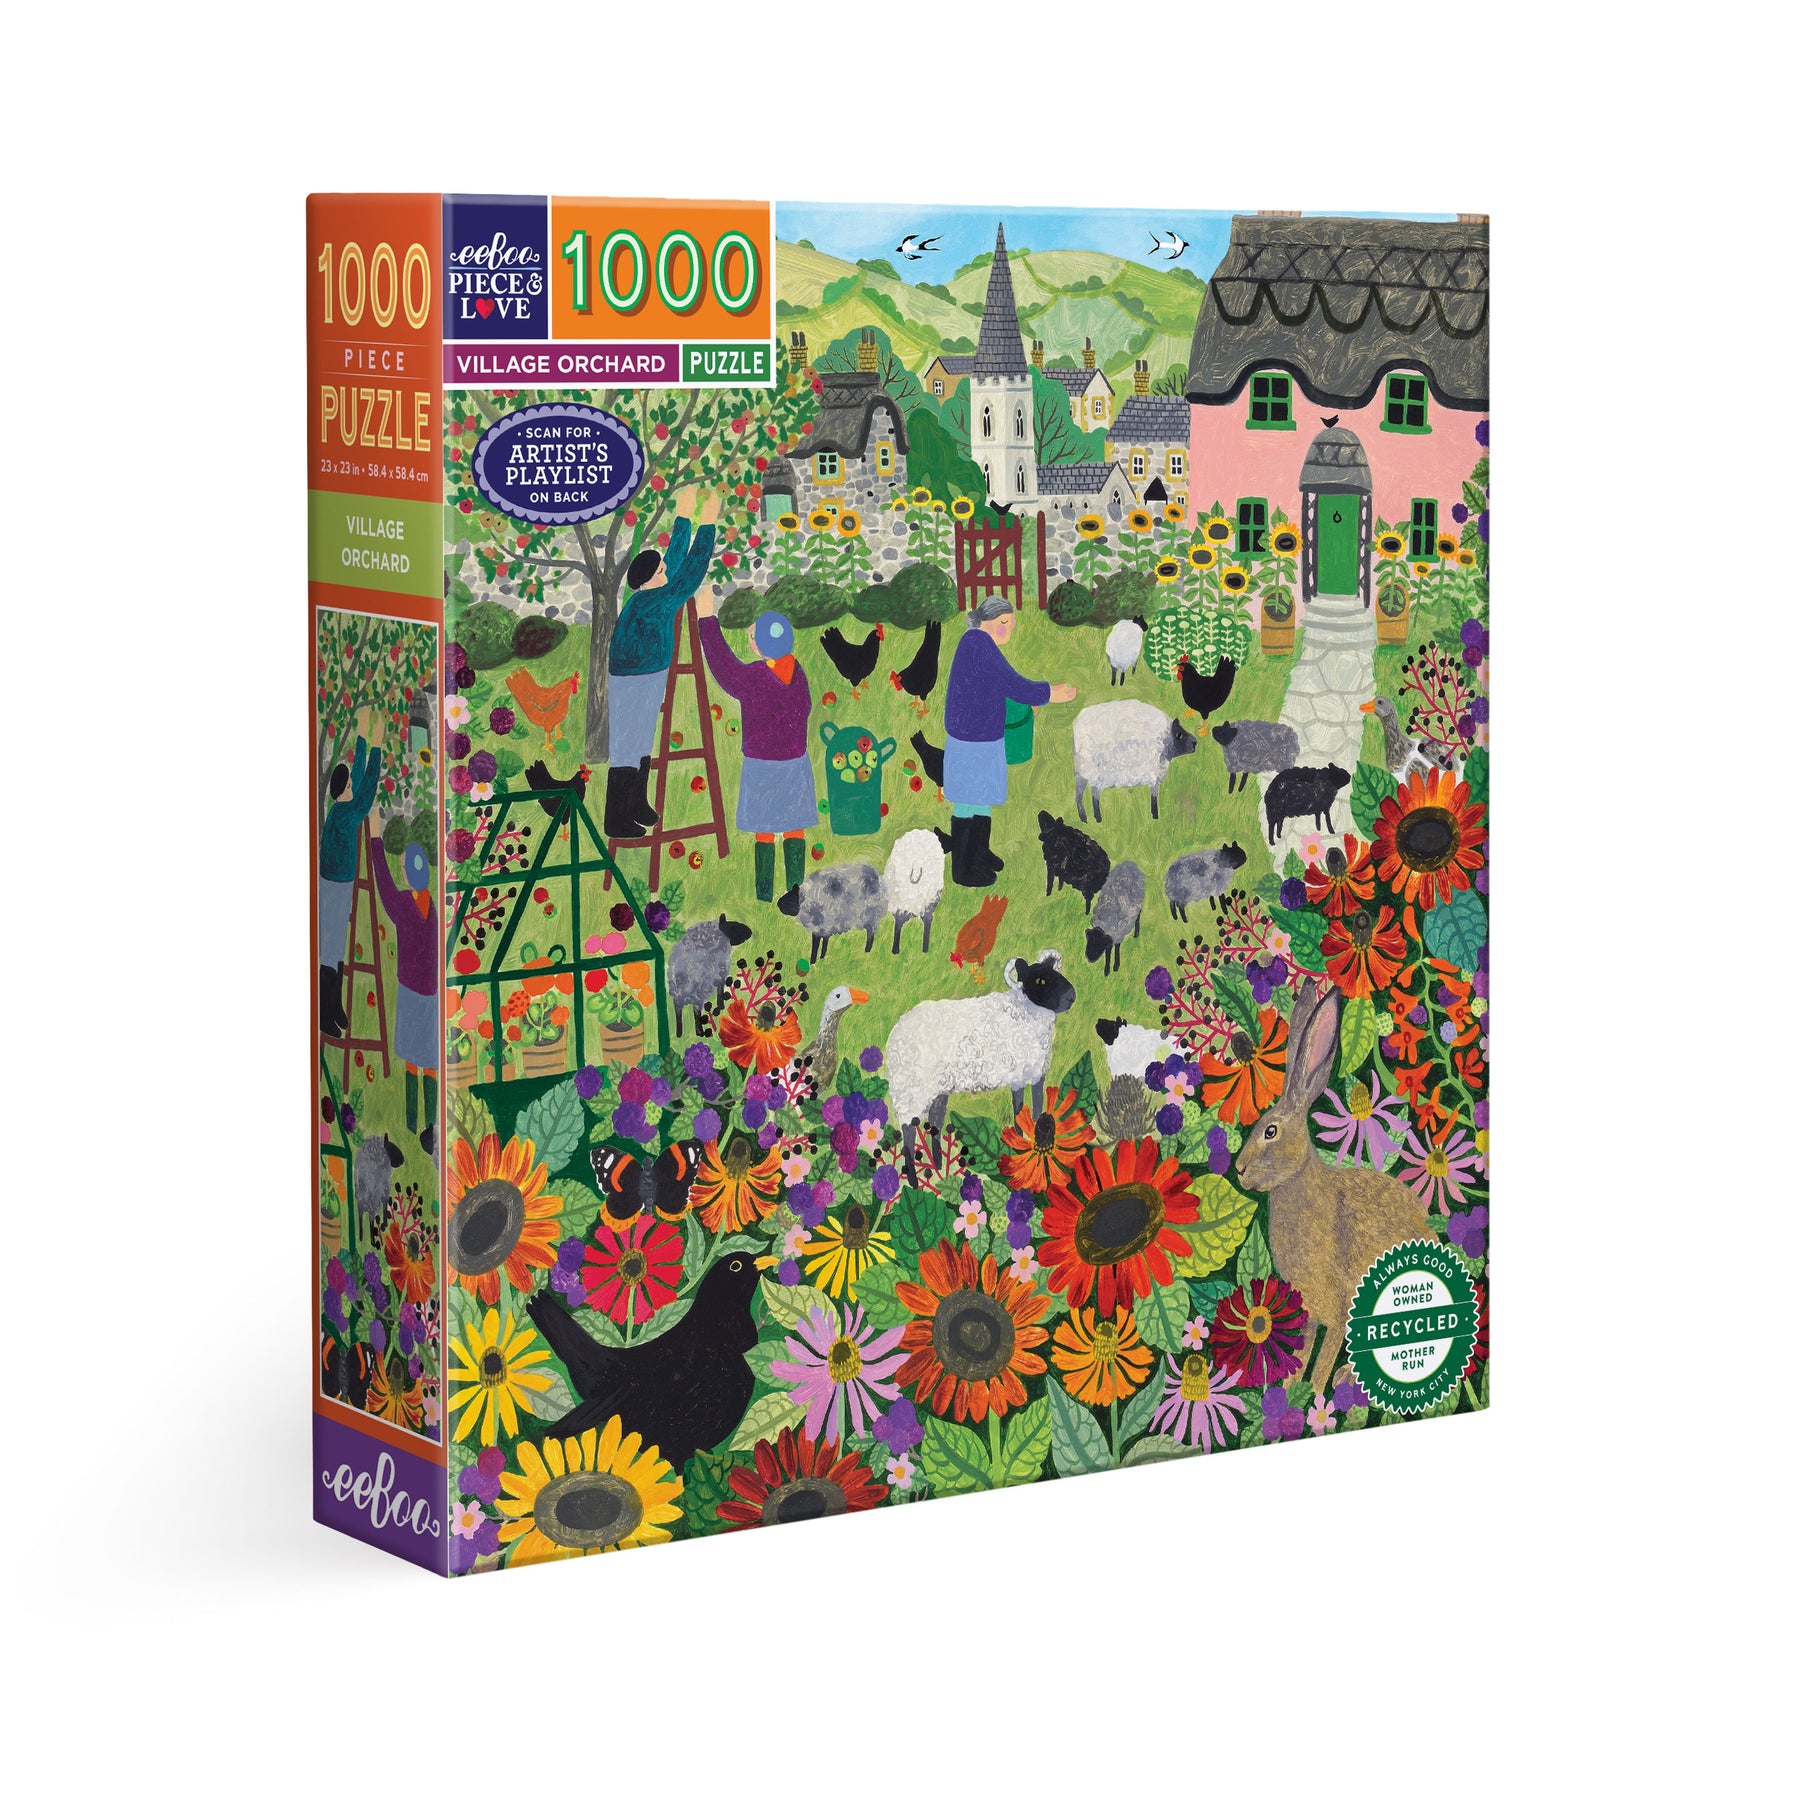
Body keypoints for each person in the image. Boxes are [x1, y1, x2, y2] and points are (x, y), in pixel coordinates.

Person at [605, 486, 721, 838]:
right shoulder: (654, 601)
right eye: (660, 570)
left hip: (646, 674)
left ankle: (636, 803)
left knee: (642, 739)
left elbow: (673, 562)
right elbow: (689, 575)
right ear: (649, 579)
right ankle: (616, 818)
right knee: (628, 744)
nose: (666, 571)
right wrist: (707, 523)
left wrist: (684, 517)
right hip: (634, 678)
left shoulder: (650, 594)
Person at [942, 595, 1076, 886]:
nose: (1008, 631)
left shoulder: (980, 644)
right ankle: (964, 869)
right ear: (987, 621)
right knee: (968, 799)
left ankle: (979, 852)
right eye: (1004, 623)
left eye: (1010, 625)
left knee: (982, 796)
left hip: (982, 735)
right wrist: (1049, 693)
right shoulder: (977, 644)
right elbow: (1010, 682)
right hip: (970, 738)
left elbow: (996, 687)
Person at [693, 595, 816, 902]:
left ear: (762, 646)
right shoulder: (797, 672)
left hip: (763, 766)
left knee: (765, 829)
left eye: (751, 637)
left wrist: (706, 620)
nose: (749, 641)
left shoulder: (756, 677)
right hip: (795, 763)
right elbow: (806, 707)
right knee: (794, 827)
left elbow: (724, 667)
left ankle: (764, 893)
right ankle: (796, 891)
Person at [369, 827, 439, 1158]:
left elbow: (383, 884)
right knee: (429, 1061)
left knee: (413, 1060)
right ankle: (430, 1126)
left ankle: (413, 1126)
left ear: (408, 874)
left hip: (412, 992)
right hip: (431, 993)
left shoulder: (404, 905)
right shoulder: (431, 906)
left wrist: (375, 842)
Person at [318, 707, 384, 1036]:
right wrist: (376, 747)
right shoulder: (347, 813)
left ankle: (334, 1007)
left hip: (333, 882)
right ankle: (325, 1013)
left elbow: (357, 781)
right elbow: (366, 791)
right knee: (331, 948)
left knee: (336, 945)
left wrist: (361, 736)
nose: (353, 787)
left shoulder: (338, 807)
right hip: (334, 885)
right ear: (344, 790)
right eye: (349, 786)